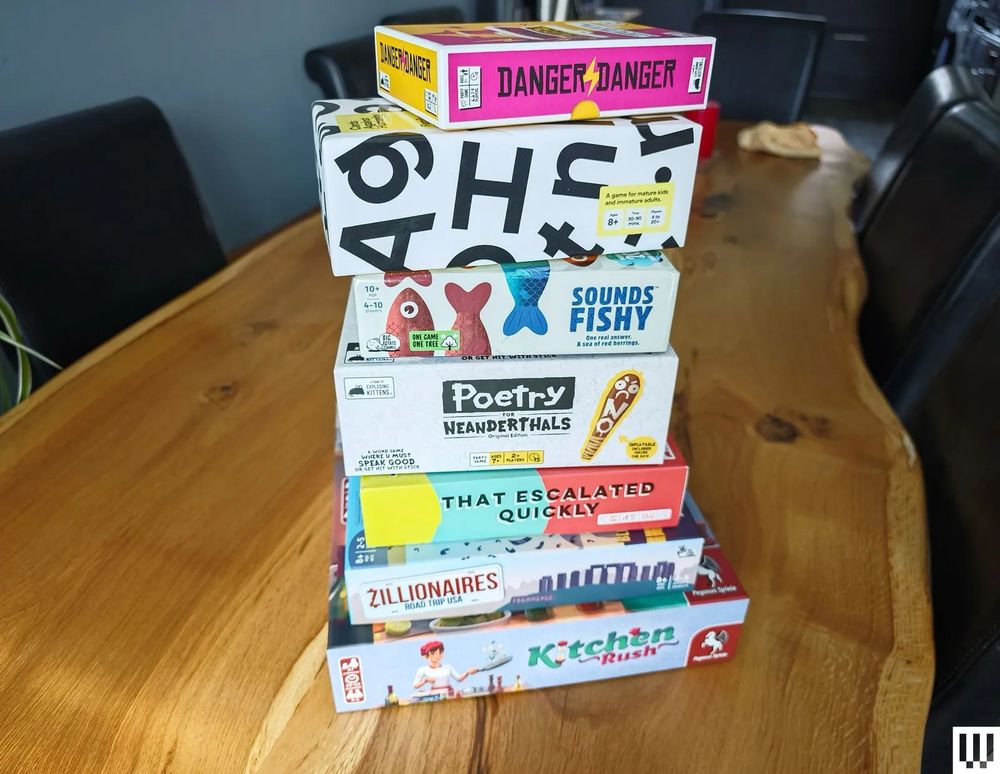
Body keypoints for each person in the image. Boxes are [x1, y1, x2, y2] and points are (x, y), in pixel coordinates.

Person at [413, 640, 478, 692]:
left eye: (440, 652)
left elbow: (458, 678)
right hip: (435, 694)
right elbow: (415, 685)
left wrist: (467, 672)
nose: (437, 655)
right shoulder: (423, 670)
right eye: (433, 653)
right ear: (426, 656)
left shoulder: (447, 667)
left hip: (449, 692)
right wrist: (425, 680)